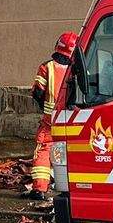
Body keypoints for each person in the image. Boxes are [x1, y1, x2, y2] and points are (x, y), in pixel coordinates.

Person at [29, 30, 77, 199]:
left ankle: (40, 189)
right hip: (73, 118)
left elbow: (37, 93)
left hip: (51, 120)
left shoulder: (46, 67)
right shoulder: (75, 69)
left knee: (43, 150)